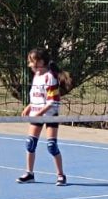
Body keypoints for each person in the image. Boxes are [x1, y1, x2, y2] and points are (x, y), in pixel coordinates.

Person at [16, 47, 69, 186]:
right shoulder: (36, 77)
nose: (29, 64)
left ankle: (61, 175)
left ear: (40, 62)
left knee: (51, 146)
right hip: (37, 113)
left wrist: (40, 112)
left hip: (50, 114)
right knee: (30, 144)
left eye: (31, 61)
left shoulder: (50, 77)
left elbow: (52, 101)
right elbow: (36, 96)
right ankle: (29, 173)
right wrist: (29, 107)